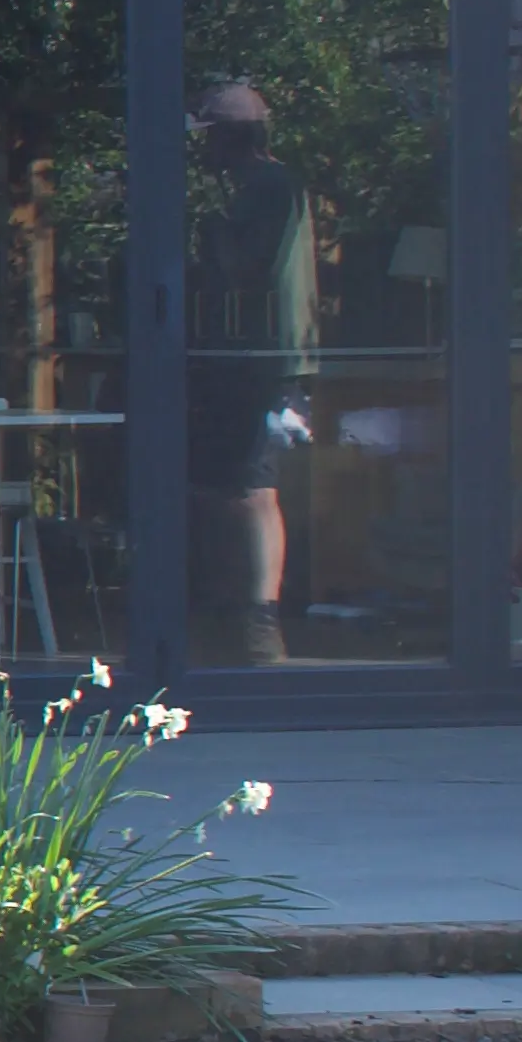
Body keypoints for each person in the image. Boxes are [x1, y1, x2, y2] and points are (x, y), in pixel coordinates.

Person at [183, 79, 315, 663]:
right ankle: (230, 606)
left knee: (256, 487)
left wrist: (212, 235)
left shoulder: (271, 187)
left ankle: (261, 621)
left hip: (270, 361)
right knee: (224, 485)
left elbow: (248, 269)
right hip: (245, 359)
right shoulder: (260, 189)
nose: (202, 152)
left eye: (209, 138)